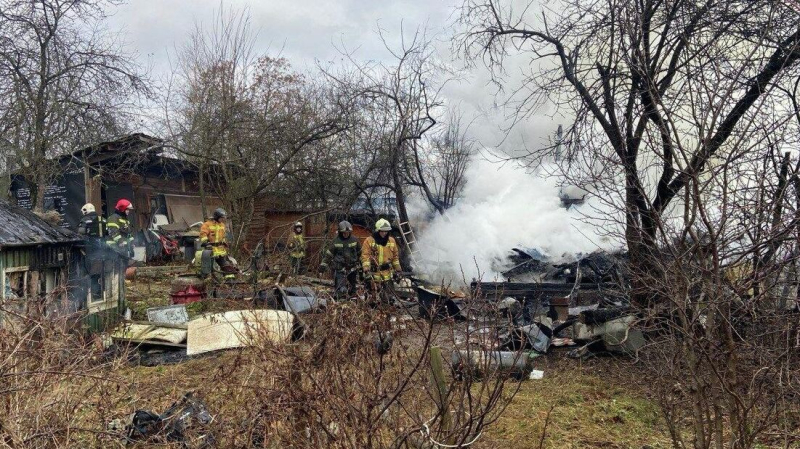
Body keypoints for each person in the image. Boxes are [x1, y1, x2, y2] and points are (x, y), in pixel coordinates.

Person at [361, 218, 402, 304]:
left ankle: (387, 308)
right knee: (372, 301)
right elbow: (365, 256)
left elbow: (395, 257)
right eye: (382, 231)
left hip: (387, 274)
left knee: (388, 300)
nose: (384, 233)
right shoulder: (369, 241)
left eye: (386, 231)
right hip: (373, 274)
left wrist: (398, 270)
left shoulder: (391, 241)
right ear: (378, 230)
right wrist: (366, 270)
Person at [320, 220, 362, 299]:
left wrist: (362, 266)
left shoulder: (354, 240)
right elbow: (329, 255)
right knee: (341, 289)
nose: (346, 234)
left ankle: (351, 302)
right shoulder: (336, 241)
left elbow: (360, 253)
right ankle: (340, 300)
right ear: (340, 232)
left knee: (353, 289)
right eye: (344, 233)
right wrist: (323, 266)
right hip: (340, 269)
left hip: (352, 268)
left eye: (348, 233)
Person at [199, 208, 235, 279]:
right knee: (209, 266)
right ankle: (207, 278)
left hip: (220, 250)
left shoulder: (222, 225)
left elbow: (223, 236)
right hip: (210, 249)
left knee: (224, 264)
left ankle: (229, 279)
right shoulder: (207, 224)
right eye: (221, 218)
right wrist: (206, 242)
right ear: (217, 217)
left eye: (223, 218)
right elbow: (203, 234)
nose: (222, 219)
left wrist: (225, 243)